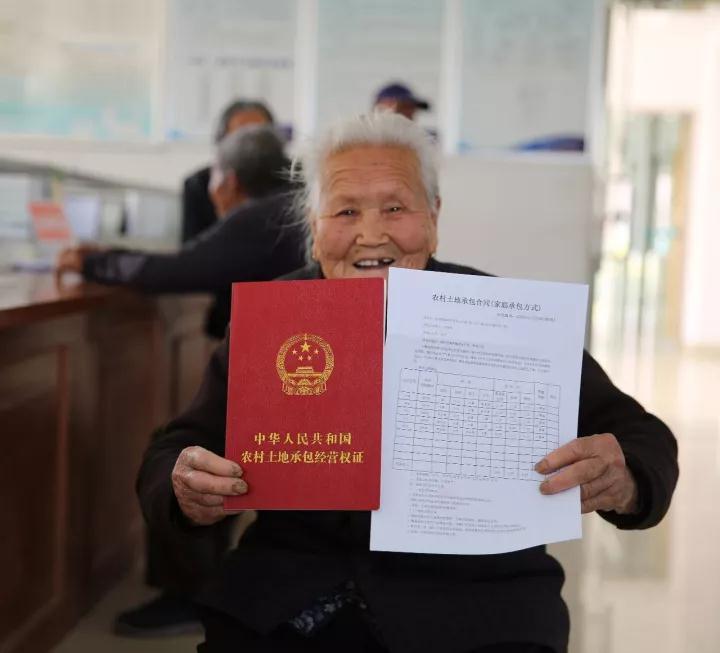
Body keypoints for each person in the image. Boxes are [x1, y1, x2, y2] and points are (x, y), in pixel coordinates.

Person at [136, 112, 678, 653]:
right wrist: (184, 485)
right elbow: (174, 449)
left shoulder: (505, 318)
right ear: (314, 225)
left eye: (395, 208)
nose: (372, 233)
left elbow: (644, 436)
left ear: (434, 216)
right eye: (346, 211)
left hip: (476, 608)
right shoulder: (274, 319)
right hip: (288, 600)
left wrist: (626, 477)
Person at [57, 124, 306, 340]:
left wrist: (92, 263)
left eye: (213, 175)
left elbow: (178, 269)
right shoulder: (293, 204)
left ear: (230, 182)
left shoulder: (259, 219)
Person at [182, 100, 275, 243]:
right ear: (222, 141)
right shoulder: (198, 185)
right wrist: (224, 214)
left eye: (260, 137)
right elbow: (193, 250)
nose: (251, 146)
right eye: (241, 137)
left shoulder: (290, 182)